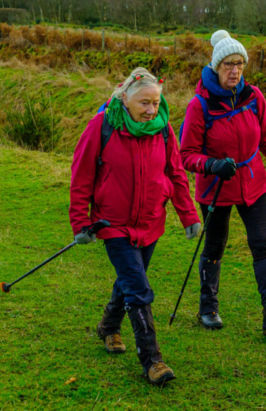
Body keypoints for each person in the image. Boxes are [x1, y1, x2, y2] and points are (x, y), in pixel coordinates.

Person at [70, 67, 201, 385]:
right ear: (125, 98)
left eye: (156, 102)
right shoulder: (102, 126)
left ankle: (108, 327)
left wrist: (189, 216)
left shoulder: (163, 129)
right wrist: (81, 223)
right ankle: (153, 361)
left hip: (151, 222)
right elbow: (82, 176)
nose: (151, 110)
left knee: (130, 280)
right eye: (144, 103)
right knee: (138, 288)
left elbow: (176, 174)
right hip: (112, 224)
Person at [180, 30, 266, 336]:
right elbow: (186, 155)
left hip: (253, 185)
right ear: (216, 67)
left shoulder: (254, 97)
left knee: (262, 244)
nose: (235, 70)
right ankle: (208, 308)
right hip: (216, 188)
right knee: (215, 245)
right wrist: (211, 165)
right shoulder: (200, 105)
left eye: (239, 63)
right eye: (228, 64)